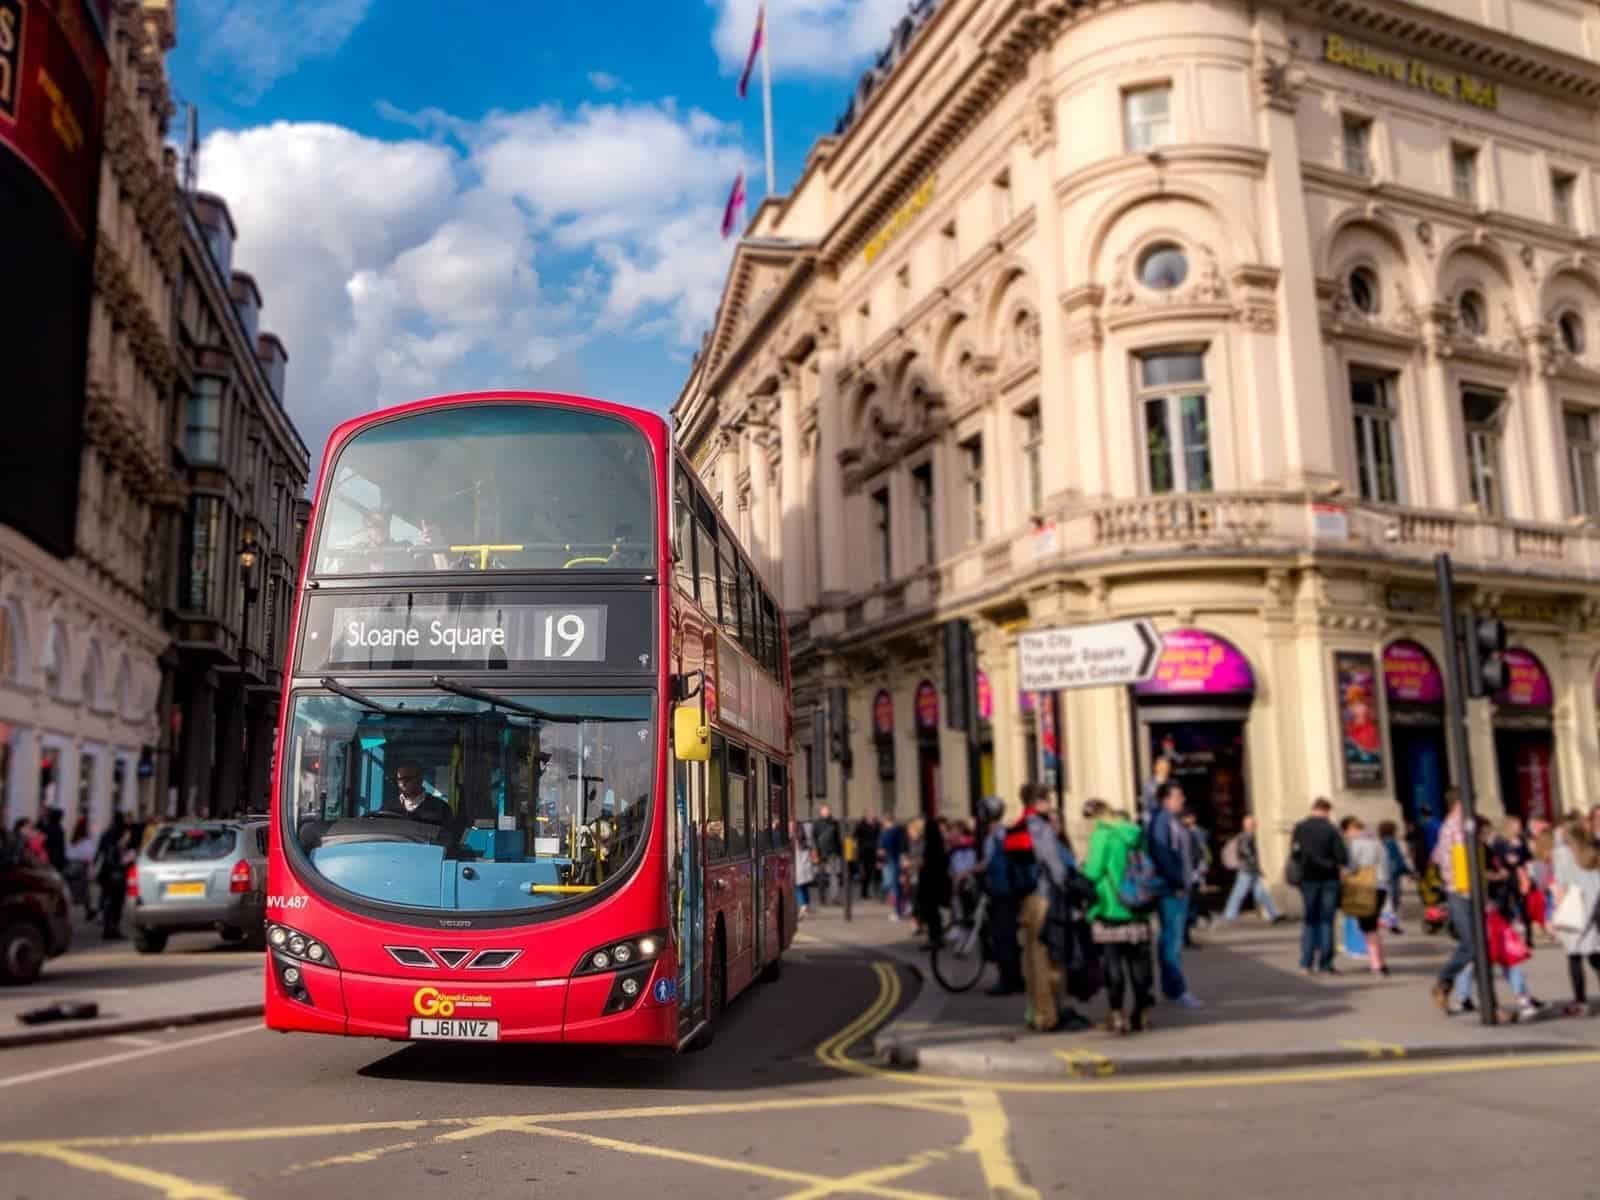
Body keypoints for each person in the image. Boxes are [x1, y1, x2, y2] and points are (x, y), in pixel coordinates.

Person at [1081, 798, 1154, 1034]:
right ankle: (1141, 1014)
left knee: (1113, 964)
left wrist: (1082, 868)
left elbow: (1093, 872)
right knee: (1139, 963)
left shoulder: (1103, 835)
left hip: (1111, 906)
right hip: (1138, 906)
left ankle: (1117, 1016)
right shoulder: (1135, 833)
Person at [1147, 783, 1202, 1008]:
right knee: (1172, 940)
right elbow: (1163, 853)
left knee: (1173, 938)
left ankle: (1173, 987)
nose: (1182, 799)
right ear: (1166, 799)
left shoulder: (1171, 820)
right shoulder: (1162, 821)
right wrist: (1177, 880)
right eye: (1178, 795)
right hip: (1171, 889)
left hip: (1178, 886)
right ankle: (1176, 989)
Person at [1290, 797, 1348, 976]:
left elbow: (1295, 853)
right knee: (1326, 921)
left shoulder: (1300, 827)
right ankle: (1325, 963)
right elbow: (1342, 857)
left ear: (1313, 809)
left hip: (1308, 879)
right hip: (1329, 879)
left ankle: (1305, 964)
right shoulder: (1331, 829)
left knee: (1310, 920)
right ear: (1326, 811)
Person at [1552, 812, 1600, 1017]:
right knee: (1595, 953)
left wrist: (1556, 911)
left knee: (1574, 955)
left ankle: (1580, 1000)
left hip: (1574, 906)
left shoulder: (1562, 853)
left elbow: (1561, 884)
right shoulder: (1591, 850)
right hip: (1593, 904)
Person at [978, 795, 1025, 996]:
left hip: (1000, 890)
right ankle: (1017, 979)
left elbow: (987, 863)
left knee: (1001, 937)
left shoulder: (994, 836)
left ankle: (1006, 981)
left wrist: (965, 872)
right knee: (1011, 937)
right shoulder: (1007, 832)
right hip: (1012, 890)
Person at [1342, 816, 1389, 977]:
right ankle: (1381, 962)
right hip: (1381, 886)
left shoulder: (1356, 844)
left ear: (1352, 830)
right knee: (1373, 925)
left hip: (1365, 887)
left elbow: (1352, 866)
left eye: (1346, 832)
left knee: (1367, 927)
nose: (1346, 835)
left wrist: (1345, 874)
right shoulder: (1378, 842)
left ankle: (1376, 965)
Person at [1221, 813, 1283, 923]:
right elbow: (1246, 852)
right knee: (1240, 892)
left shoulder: (1247, 836)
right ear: (1248, 825)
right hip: (1247, 869)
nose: (1255, 825)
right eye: (1253, 823)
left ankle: (1274, 914)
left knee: (1260, 893)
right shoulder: (1246, 836)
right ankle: (1229, 915)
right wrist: (1255, 864)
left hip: (1250, 869)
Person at [94, 812, 132, 939]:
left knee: (107, 899)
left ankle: (107, 928)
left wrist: (95, 866)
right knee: (116, 901)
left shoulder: (106, 833)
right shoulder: (122, 833)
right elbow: (121, 852)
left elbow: (99, 851)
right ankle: (114, 928)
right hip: (118, 871)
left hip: (105, 871)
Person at [915, 817, 951, 950]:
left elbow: (926, 863)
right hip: (938, 882)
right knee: (933, 912)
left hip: (930, 883)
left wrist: (919, 865)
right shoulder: (939, 844)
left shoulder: (930, 845)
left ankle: (934, 938)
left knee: (931, 912)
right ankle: (936, 937)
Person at [381, 763, 451, 824]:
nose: (403, 783)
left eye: (407, 779)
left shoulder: (441, 809)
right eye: (400, 779)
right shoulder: (387, 807)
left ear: (420, 779)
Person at [1378, 819, 1414, 933]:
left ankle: (1391, 923)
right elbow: (1397, 859)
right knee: (1394, 900)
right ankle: (1392, 924)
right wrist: (1408, 871)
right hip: (1393, 874)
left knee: (1389, 901)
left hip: (1384, 873)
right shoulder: (1392, 842)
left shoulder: (1382, 842)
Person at [811, 805, 843, 904]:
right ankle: (822, 898)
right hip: (820, 853)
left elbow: (838, 838)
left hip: (833, 852)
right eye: (825, 811)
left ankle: (834, 898)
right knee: (821, 876)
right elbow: (813, 838)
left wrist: (840, 852)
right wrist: (815, 851)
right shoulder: (816, 823)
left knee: (834, 875)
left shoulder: (834, 823)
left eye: (828, 810)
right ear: (821, 812)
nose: (827, 812)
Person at [792, 820, 816, 918]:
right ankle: (806, 905)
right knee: (804, 887)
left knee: (798, 888)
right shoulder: (805, 843)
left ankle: (803, 906)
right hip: (805, 870)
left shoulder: (794, 842)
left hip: (798, 870)